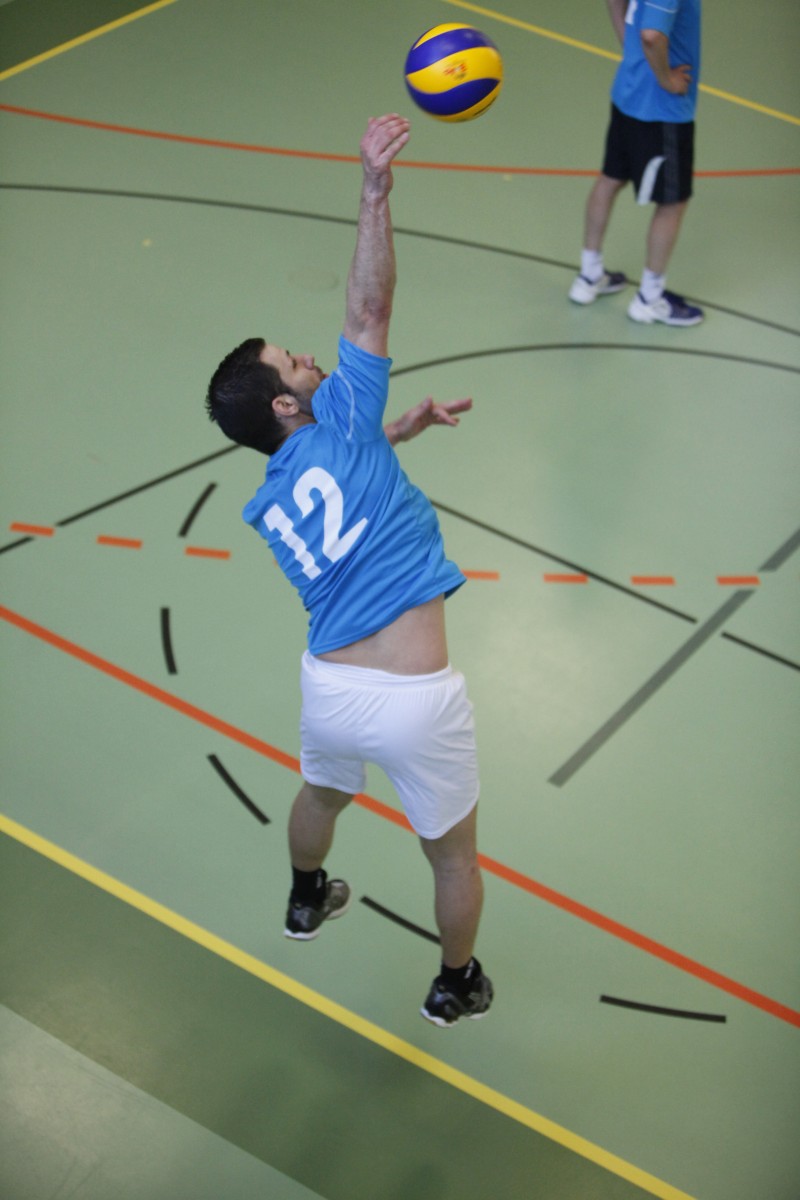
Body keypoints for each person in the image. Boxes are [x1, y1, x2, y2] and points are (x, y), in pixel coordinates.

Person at [205, 114, 492, 1028]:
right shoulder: (339, 413)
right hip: (416, 698)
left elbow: (345, 493)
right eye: (293, 363)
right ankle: (455, 984)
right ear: (288, 407)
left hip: (330, 686)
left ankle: (304, 898)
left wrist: (393, 432)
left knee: (323, 791)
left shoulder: (271, 499)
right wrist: (373, 187)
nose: (309, 357)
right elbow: (369, 309)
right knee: (453, 857)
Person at [568, 0, 704, 326]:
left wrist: (631, 53)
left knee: (610, 179)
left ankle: (589, 277)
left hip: (627, 92)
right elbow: (651, 36)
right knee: (672, 202)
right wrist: (666, 79)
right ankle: (649, 299)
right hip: (661, 110)